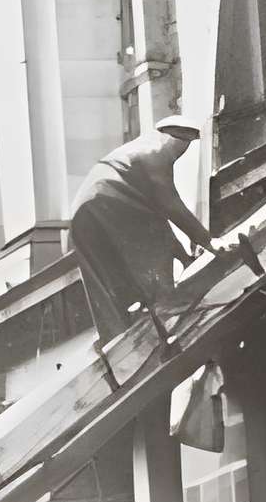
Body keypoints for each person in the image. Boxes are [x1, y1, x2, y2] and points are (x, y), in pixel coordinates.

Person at [68, 115, 217, 343]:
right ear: (174, 137)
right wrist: (207, 240)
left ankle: (118, 339)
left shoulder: (136, 151)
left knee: (107, 284)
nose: (184, 149)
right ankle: (167, 310)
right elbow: (170, 205)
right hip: (108, 202)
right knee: (153, 266)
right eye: (186, 142)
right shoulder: (155, 154)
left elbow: (156, 215)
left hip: (83, 210)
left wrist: (182, 254)